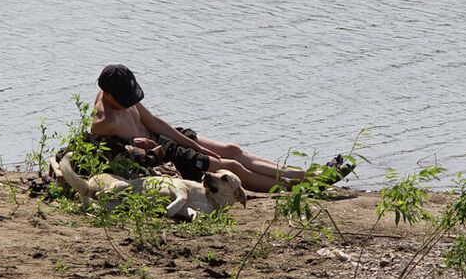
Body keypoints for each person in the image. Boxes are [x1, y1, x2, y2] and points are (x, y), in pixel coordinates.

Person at [89, 64, 351, 192]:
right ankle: (296, 188)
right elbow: (98, 136)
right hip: (165, 153)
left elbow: (154, 122)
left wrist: (194, 144)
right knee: (233, 168)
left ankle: (305, 175)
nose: (130, 103)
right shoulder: (107, 121)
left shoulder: (126, 100)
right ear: (107, 93)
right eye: (123, 99)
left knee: (231, 150)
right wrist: (144, 150)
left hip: (165, 137)